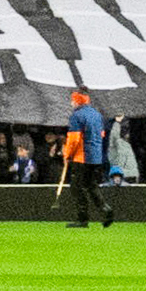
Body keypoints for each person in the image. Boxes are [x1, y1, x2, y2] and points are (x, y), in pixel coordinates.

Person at [58, 89, 116, 227]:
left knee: (76, 187)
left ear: (78, 100)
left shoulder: (77, 116)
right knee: (91, 186)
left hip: (82, 157)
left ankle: (82, 220)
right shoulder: (97, 115)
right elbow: (101, 134)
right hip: (96, 157)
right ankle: (105, 210)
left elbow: (74, 138)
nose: (71, 102)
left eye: (73, 100)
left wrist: (67, 154)